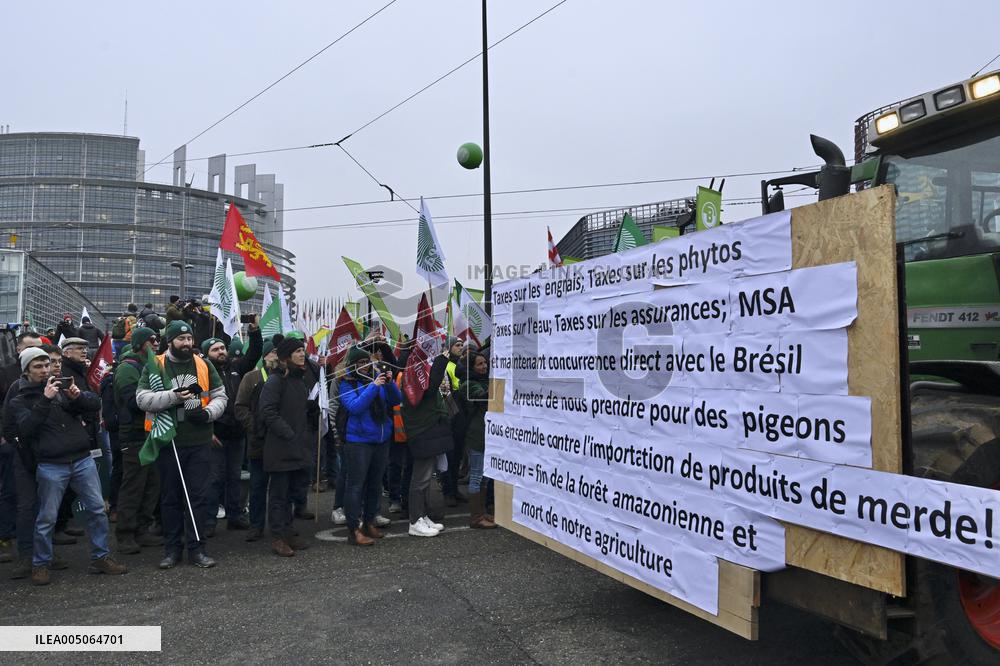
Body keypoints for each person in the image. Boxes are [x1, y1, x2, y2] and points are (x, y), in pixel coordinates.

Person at [9, 348, 127, 584]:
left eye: (47, 365)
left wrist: (77, 396)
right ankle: (41, 563)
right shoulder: (19, 399)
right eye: (38, 367)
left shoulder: (62, 388)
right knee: (47, 517)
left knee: (97, 510)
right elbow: (26, 428)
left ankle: (100, 557)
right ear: (26, 371)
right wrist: (45, 399)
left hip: (81, 459)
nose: (45, 370)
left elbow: (94, 404)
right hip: (51, 464)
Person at [136, 320, 226, 570]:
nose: (187, 343)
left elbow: (220, 395)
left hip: (199, 441)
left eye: (189, 339)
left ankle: (197, 549)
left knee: (198, 497)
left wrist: (208, 414)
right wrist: (173, 397)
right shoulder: (156, 365)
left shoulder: (203, 363)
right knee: (170, 498)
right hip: (169, 442)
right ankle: (172, 549)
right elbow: (142, 399)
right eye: (181, 339)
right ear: (170, 341)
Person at [201, 322, 262, 535]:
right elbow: (197, 406)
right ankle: (209, 521)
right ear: (206, 354)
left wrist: (254, 332)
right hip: (216, 435)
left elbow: (254, 354)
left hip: (237, 434)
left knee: (234, 476)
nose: (220, 352)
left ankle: (235, 516)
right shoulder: (202, 374)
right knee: (214, 479)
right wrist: (208, 431)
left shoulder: (235, 367)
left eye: (222, 348)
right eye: (215, 349)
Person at [258, 337, 317, 556]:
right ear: (286, 357)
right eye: (298, 351)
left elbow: (297, 410)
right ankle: (278, 537)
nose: (302, 354)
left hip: (297, 447)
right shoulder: (276, 381)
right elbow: (267, 411)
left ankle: (289, 531)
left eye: (303, 350)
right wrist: (288, 432)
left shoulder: (299, 380)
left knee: (292, 494)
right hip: (280, 448)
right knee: (279, 496)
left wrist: (311, 410)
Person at [338, 345, 401, 545]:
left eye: (367, 362)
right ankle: (353, 528)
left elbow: (396, 399)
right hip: (359, 441)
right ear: (352, 365)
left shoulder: (377, 379)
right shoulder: (346, 383)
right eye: (361, 363)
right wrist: (373, 386)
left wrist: (390, 383)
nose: (365, 366)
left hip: (381, 439)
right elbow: (355, 407)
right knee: (356, 485)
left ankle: (369, 521)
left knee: (375, 484)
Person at [112, 327, 164, 554]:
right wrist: (164, 399)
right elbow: (134, 401)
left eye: (157, 339)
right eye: (151, 340)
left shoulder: (152, 365)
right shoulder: (127, 368)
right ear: (139, 344)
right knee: (134, 486)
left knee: (152, 484)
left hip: (151, 432)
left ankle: (142, 529)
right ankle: (125, 534)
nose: (156, 343)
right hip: (134, 434)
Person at [401, 342, 455, 538]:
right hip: (422, 431)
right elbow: (430, 389)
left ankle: (422, 516)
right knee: (420, 479)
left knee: (425, 478)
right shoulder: (413, 373)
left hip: (428, 431)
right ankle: (415, 521)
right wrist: (442, 360)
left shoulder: (416, 370)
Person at [0, 331, 43, 563]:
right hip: (15, 445)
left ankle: (41, 549)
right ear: (18, 350)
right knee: (12, 494)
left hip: (43, 448)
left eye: (39, 347)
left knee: (40, 500)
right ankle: (6, 538)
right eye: (29, 347)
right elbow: (5, 411)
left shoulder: (46, 376)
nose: (35, 352)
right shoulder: (7, 373)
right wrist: (8, 438)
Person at [234, 336, 280, 542]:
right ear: (264, 356)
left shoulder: (284, 376)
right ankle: (256, 525)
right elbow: (240, 407)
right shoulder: (251, 377)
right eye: (272, 352)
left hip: (278, 441)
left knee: (279, 488)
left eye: (277, 353)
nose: (275, 356)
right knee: (258, 486)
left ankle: (280, 526)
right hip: (258, 442)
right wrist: (254, 427)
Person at [457, 352, 495, 529]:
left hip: (488, 433)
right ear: (471, 367)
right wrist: (499, 382)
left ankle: (483, 512)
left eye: (485, 363)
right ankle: (476, 517)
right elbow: (481, 396)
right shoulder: (468, 384)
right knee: (476, 476)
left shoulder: (484, 380)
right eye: (479, 364)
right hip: (477, 434)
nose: (484, 366)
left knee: (485, 477)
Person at [441, 338, 468, 507]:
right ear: (449, 348)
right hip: (450, 412)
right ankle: (448, 492)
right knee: (448, 456)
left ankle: (455, 489)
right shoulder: (445, 365)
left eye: (461, 345)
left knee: (457, 455)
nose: (460, 347)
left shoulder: (461, 364)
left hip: (461, 413)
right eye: (457, 345)